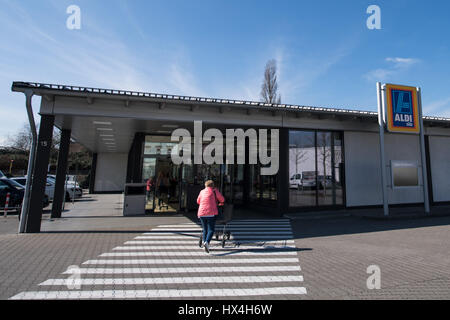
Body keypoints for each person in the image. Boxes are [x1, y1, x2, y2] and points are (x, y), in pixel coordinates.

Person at [197, 180, 225, 253]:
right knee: (211, 229)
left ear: (205, 185)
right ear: (212, 185)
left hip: (202, 213)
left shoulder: (202, 191)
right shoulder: (215, 191)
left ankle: (204, 242)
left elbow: (198, 201)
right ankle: (207, 242)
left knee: (205, 229)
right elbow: (222, 199)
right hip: (211, 213)